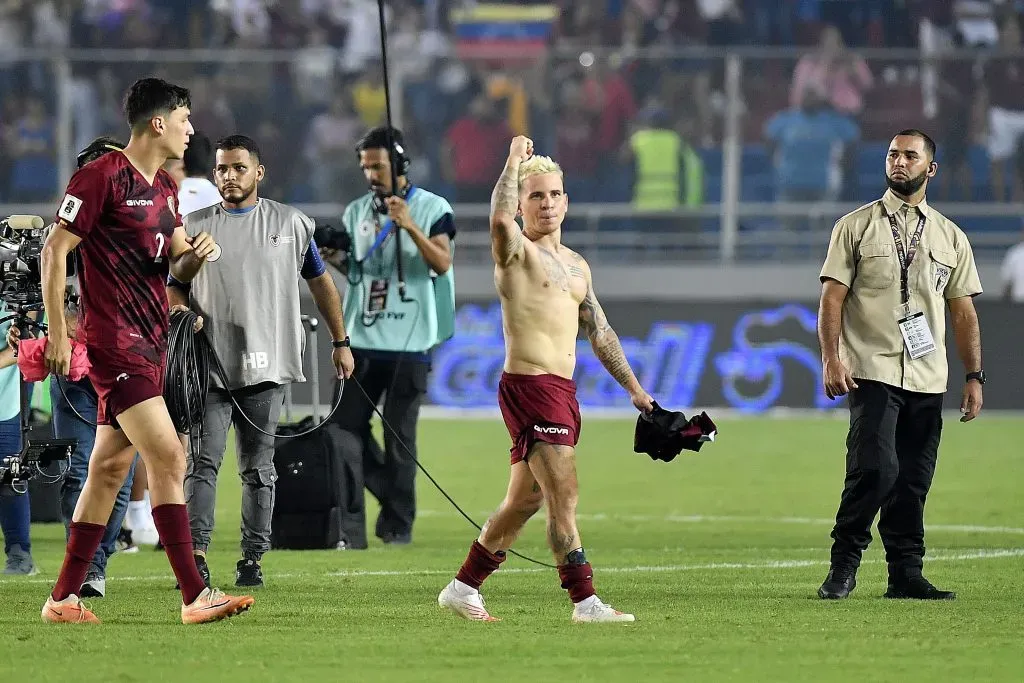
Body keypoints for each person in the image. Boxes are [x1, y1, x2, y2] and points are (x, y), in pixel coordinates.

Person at [38, 77, 254, 624]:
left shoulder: (164, 190)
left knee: (109, 469)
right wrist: (61, 331)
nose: (191, 130)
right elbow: (54, 248)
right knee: (170, 457)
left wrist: (196, 256)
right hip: (115, 345)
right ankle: (194, 595)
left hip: (151, 344)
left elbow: (175, 262)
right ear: (159, 123)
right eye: (184, 119)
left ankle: (62, 600)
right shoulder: (99, 177)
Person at [437, 136, 654, 623]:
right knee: (564, 494)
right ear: (521, 202)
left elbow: (599, 330)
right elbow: (497, 220)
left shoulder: (578, 265)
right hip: (530, 386)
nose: (548, 203)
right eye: (536, 196)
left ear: (567, 201)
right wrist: (512, 160)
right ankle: (585, 601)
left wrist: (635, 390)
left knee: (525, 499)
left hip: (561, 390)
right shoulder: (516, 252)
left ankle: (462, 587)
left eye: (554, 194)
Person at [169, 134, 354, 588]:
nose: (229, 176)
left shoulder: (291, 224)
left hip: (265, 365)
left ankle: (253, 558)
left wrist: (340, 341)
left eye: (238, 167)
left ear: (258, 172)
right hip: (207, 363)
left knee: (258, 467)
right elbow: (173, 286)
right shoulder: (192, 224)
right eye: (221, 169)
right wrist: (181, 309)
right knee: (201, 462)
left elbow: (321, 283)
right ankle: (196, 557)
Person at [816, 129, 984, 601]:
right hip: (870, 368)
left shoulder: (951, 236)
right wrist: (832, 356)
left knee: (913, 480)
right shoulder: (855, 226)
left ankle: (905, 575)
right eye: (893, 154)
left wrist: (974, 376)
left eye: (911, 156)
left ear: (930, 169)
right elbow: (832, 298)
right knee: (874, 469)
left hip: (928, 374)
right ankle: (843, 567)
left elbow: (964, 312)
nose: (900, 162)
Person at [322, 125, 456, 548]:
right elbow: (362, 275)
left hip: (410, 343)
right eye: (365, 167)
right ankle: (374, 508)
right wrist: (336, 258)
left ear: (400, 165)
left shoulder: (434, 208)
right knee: (343, 432)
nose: (371, 175)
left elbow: (441, 263)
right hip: (361, 339)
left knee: (401, 441)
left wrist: (409, 225)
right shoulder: (356, 211)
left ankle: (398, 525)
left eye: (378, 166)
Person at [0, 302, 35, 575]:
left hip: (6, 396)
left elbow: (27, 342)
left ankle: (19, 554)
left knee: (11, 474)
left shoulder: (19, 285)